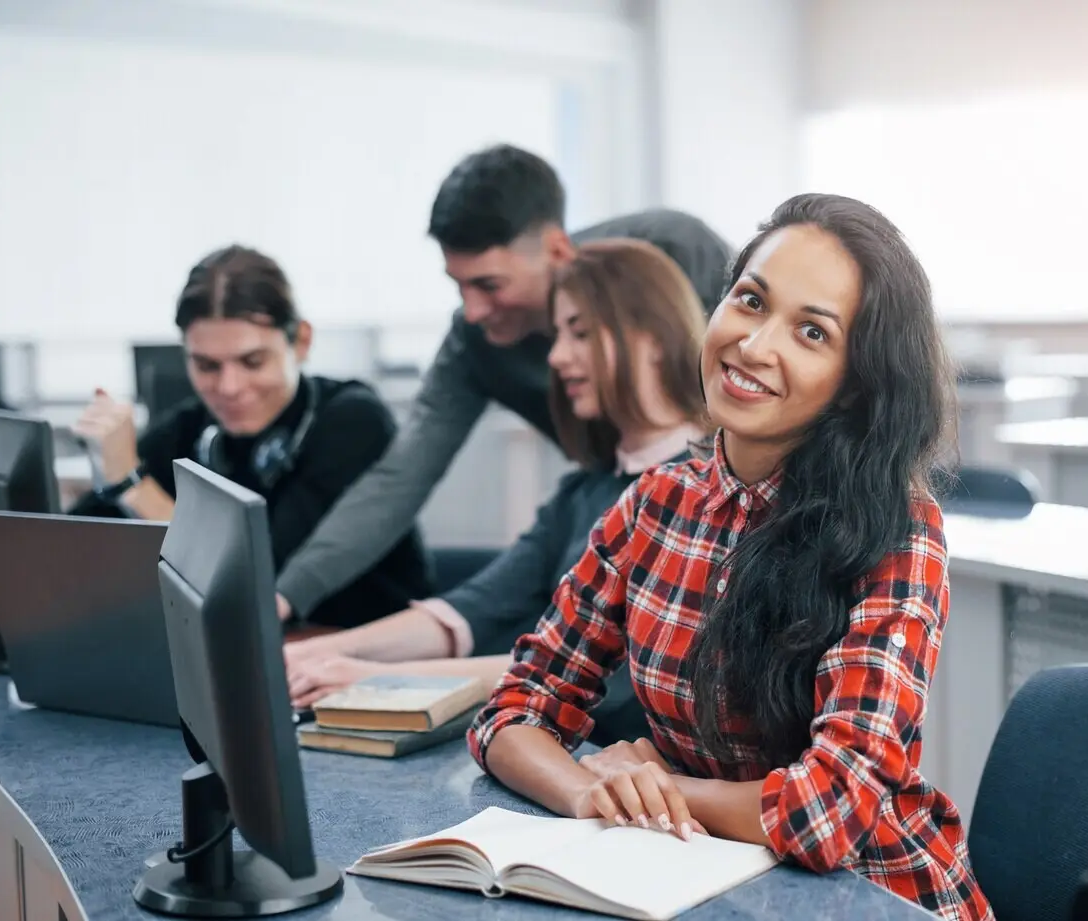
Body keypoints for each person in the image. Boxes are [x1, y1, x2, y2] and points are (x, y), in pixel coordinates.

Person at [466, 193, 993, 921]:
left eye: (811, 331)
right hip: (698, 880)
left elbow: (829, 808)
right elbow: (515, 708)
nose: (754, 345)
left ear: (857, 380)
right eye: (750, 301)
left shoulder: (897, 531)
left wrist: (662, 792)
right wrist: (591, 788)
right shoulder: (655, 503)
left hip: (870, 896)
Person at [271, 145, 732, 624]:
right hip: (607, 529)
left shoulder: (674, 253)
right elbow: (401, 477)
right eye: (459, 286)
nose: (472, 311)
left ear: (556, 251)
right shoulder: (474, 343)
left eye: (489, 285)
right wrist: (286, 596)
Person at [283, 239, 708, 744]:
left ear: (652, 338)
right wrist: (315, 657)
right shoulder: (586, 491)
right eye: (558, 333)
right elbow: (474, 607)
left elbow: (600, 677)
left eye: (580, 333)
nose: (555, 356)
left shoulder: (701, 494)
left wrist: (377, 678)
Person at [73, 245, 432, 630]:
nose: (229, 387)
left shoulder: (353, 420)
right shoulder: (190, 426)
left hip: (373, 666)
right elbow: (66, 549)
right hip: (259, 662)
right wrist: (107, 470)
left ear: (301, 342)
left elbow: (254, 585)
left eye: (252, 362)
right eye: (207, 365)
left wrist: (132, 485)